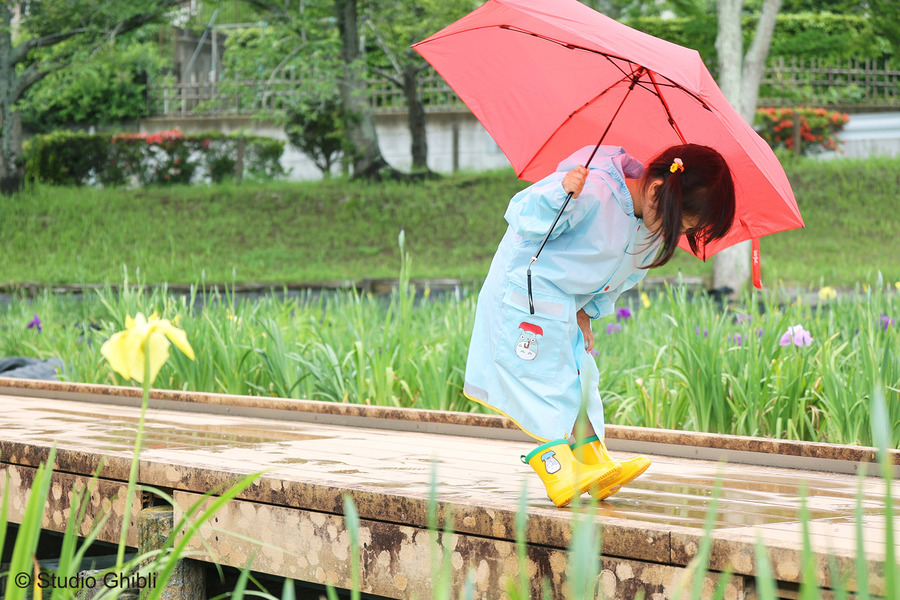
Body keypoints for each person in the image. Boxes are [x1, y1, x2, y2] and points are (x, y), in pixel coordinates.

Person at [463, 143, 736, 507]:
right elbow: (522, 215)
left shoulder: (649, 232)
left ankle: (592, 459)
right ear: (657, 190)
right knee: (548, 382)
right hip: (526, 296)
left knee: (580, 378)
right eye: (681, 224)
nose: (678, 234)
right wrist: (560, 194)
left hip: (564, 305)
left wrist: (587, 311)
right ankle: (559, 471)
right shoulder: (594, 188)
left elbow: (620, 278)